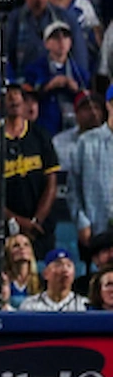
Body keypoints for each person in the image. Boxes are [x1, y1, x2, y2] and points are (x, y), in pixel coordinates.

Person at [0, 86, 60, 260]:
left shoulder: (40, 135)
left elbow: (51, 182)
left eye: (18, 96)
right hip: (0, 228)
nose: (13, 99)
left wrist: (36, 220)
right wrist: (16, 220)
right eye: (8, 96)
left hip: (39, 229)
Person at [69, 85, 113, 255]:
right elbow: (73, 190)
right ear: (108, 105)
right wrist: (82, 223)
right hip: (95, 228)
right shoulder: (86, 142)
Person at [18, 248, 88, 311]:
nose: (65, 269)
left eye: (69, 265)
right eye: (58, 265)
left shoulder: (84, 305)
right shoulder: (29, 305)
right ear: (45, 273)